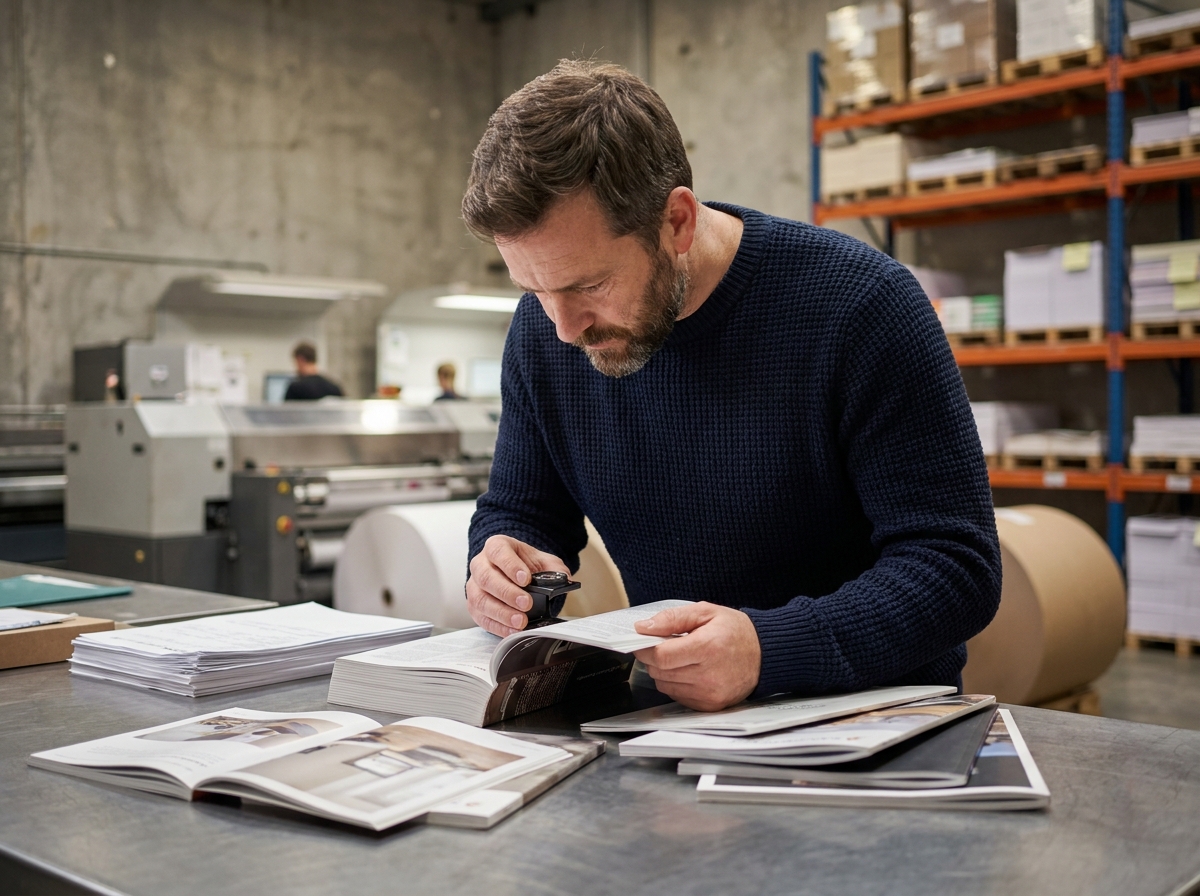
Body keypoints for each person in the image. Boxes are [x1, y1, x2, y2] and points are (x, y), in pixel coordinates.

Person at [461, 60, 1001, 712]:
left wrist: (770, 648)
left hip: (870, 726)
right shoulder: (545, 331)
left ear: (678, 222)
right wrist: (501, 565)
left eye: (589, 286)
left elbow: (956, 566)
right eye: (534, 290)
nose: (565, 327)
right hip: (672, 724)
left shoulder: (860, 307)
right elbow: (523, 512)